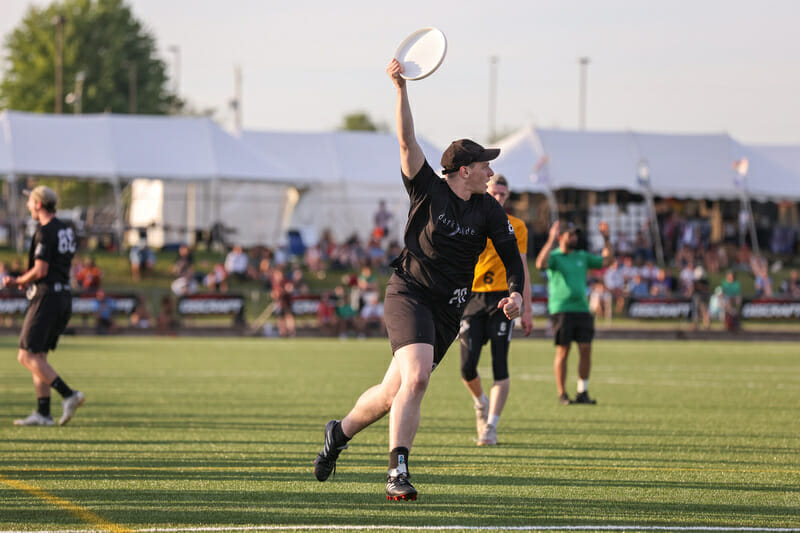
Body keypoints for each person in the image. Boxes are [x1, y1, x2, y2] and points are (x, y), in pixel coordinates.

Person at [312, 58, 525, 502]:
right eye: (484, 164)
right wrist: (400, 89)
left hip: (449, 308)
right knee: (417, 381)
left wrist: (517, 293)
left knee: (393, 393)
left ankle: (340, 432)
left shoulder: (488, 208)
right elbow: (407, 140)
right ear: (464, 169)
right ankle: (397, 471)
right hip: (409, 292)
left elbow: (510, 255)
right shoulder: (429, 187)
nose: (491, 171)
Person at [458, 174, 532, 446]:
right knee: (467, 367)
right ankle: (480, 402)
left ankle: (490, 426)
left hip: (503, 299)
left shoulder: (517, 226)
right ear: (486, 190)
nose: (498, 198)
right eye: (494, 193)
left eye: (503, 194)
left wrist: (527, 308)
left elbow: (521, 267)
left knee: (500, 365)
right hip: (472, 298)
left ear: (507, 196)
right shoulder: (471, 217)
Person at [4, 186, 84, 426]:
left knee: (25, 354)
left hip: (47, 297)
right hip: (62, 295)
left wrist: (16, 280)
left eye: (30, 201)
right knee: (38, 355)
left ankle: (69, 394)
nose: (28, 205)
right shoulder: (65, 228)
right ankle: (43, 413)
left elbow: (41, 270)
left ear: (39, 204)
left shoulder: (46, 231)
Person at [535, 220, 614, 405]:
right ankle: (562, 393)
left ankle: (582, 392)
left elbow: (608, 261)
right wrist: (550, 240)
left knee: (586, 349)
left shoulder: (582, 255)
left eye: (575, 234)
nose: (575, 238)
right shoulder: (554, 256)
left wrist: (607, 240)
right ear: (561, 237)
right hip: (561, 310)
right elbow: (540, 264)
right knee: (563, 351)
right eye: (570, 234)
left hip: (582, 310)